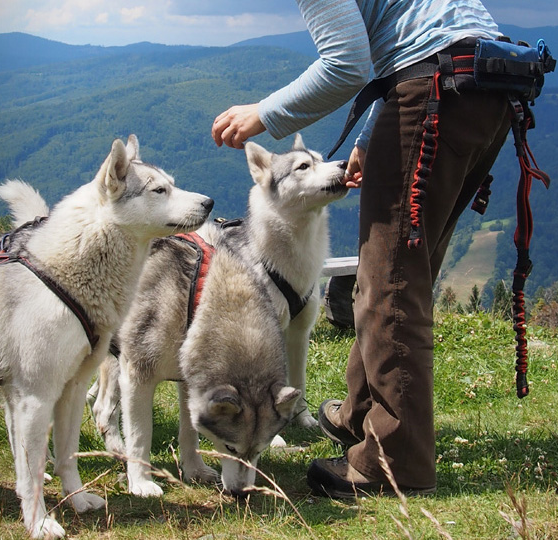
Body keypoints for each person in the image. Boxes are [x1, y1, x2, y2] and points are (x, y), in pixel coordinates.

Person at [211, 0, 512, 498]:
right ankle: (358, 415)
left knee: (388, 283)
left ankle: (394, 463)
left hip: (435, 90)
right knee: (402, 271)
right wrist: (374, 133)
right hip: (487, 82)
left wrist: (262, 113)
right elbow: (394, 51)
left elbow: (347, 64)